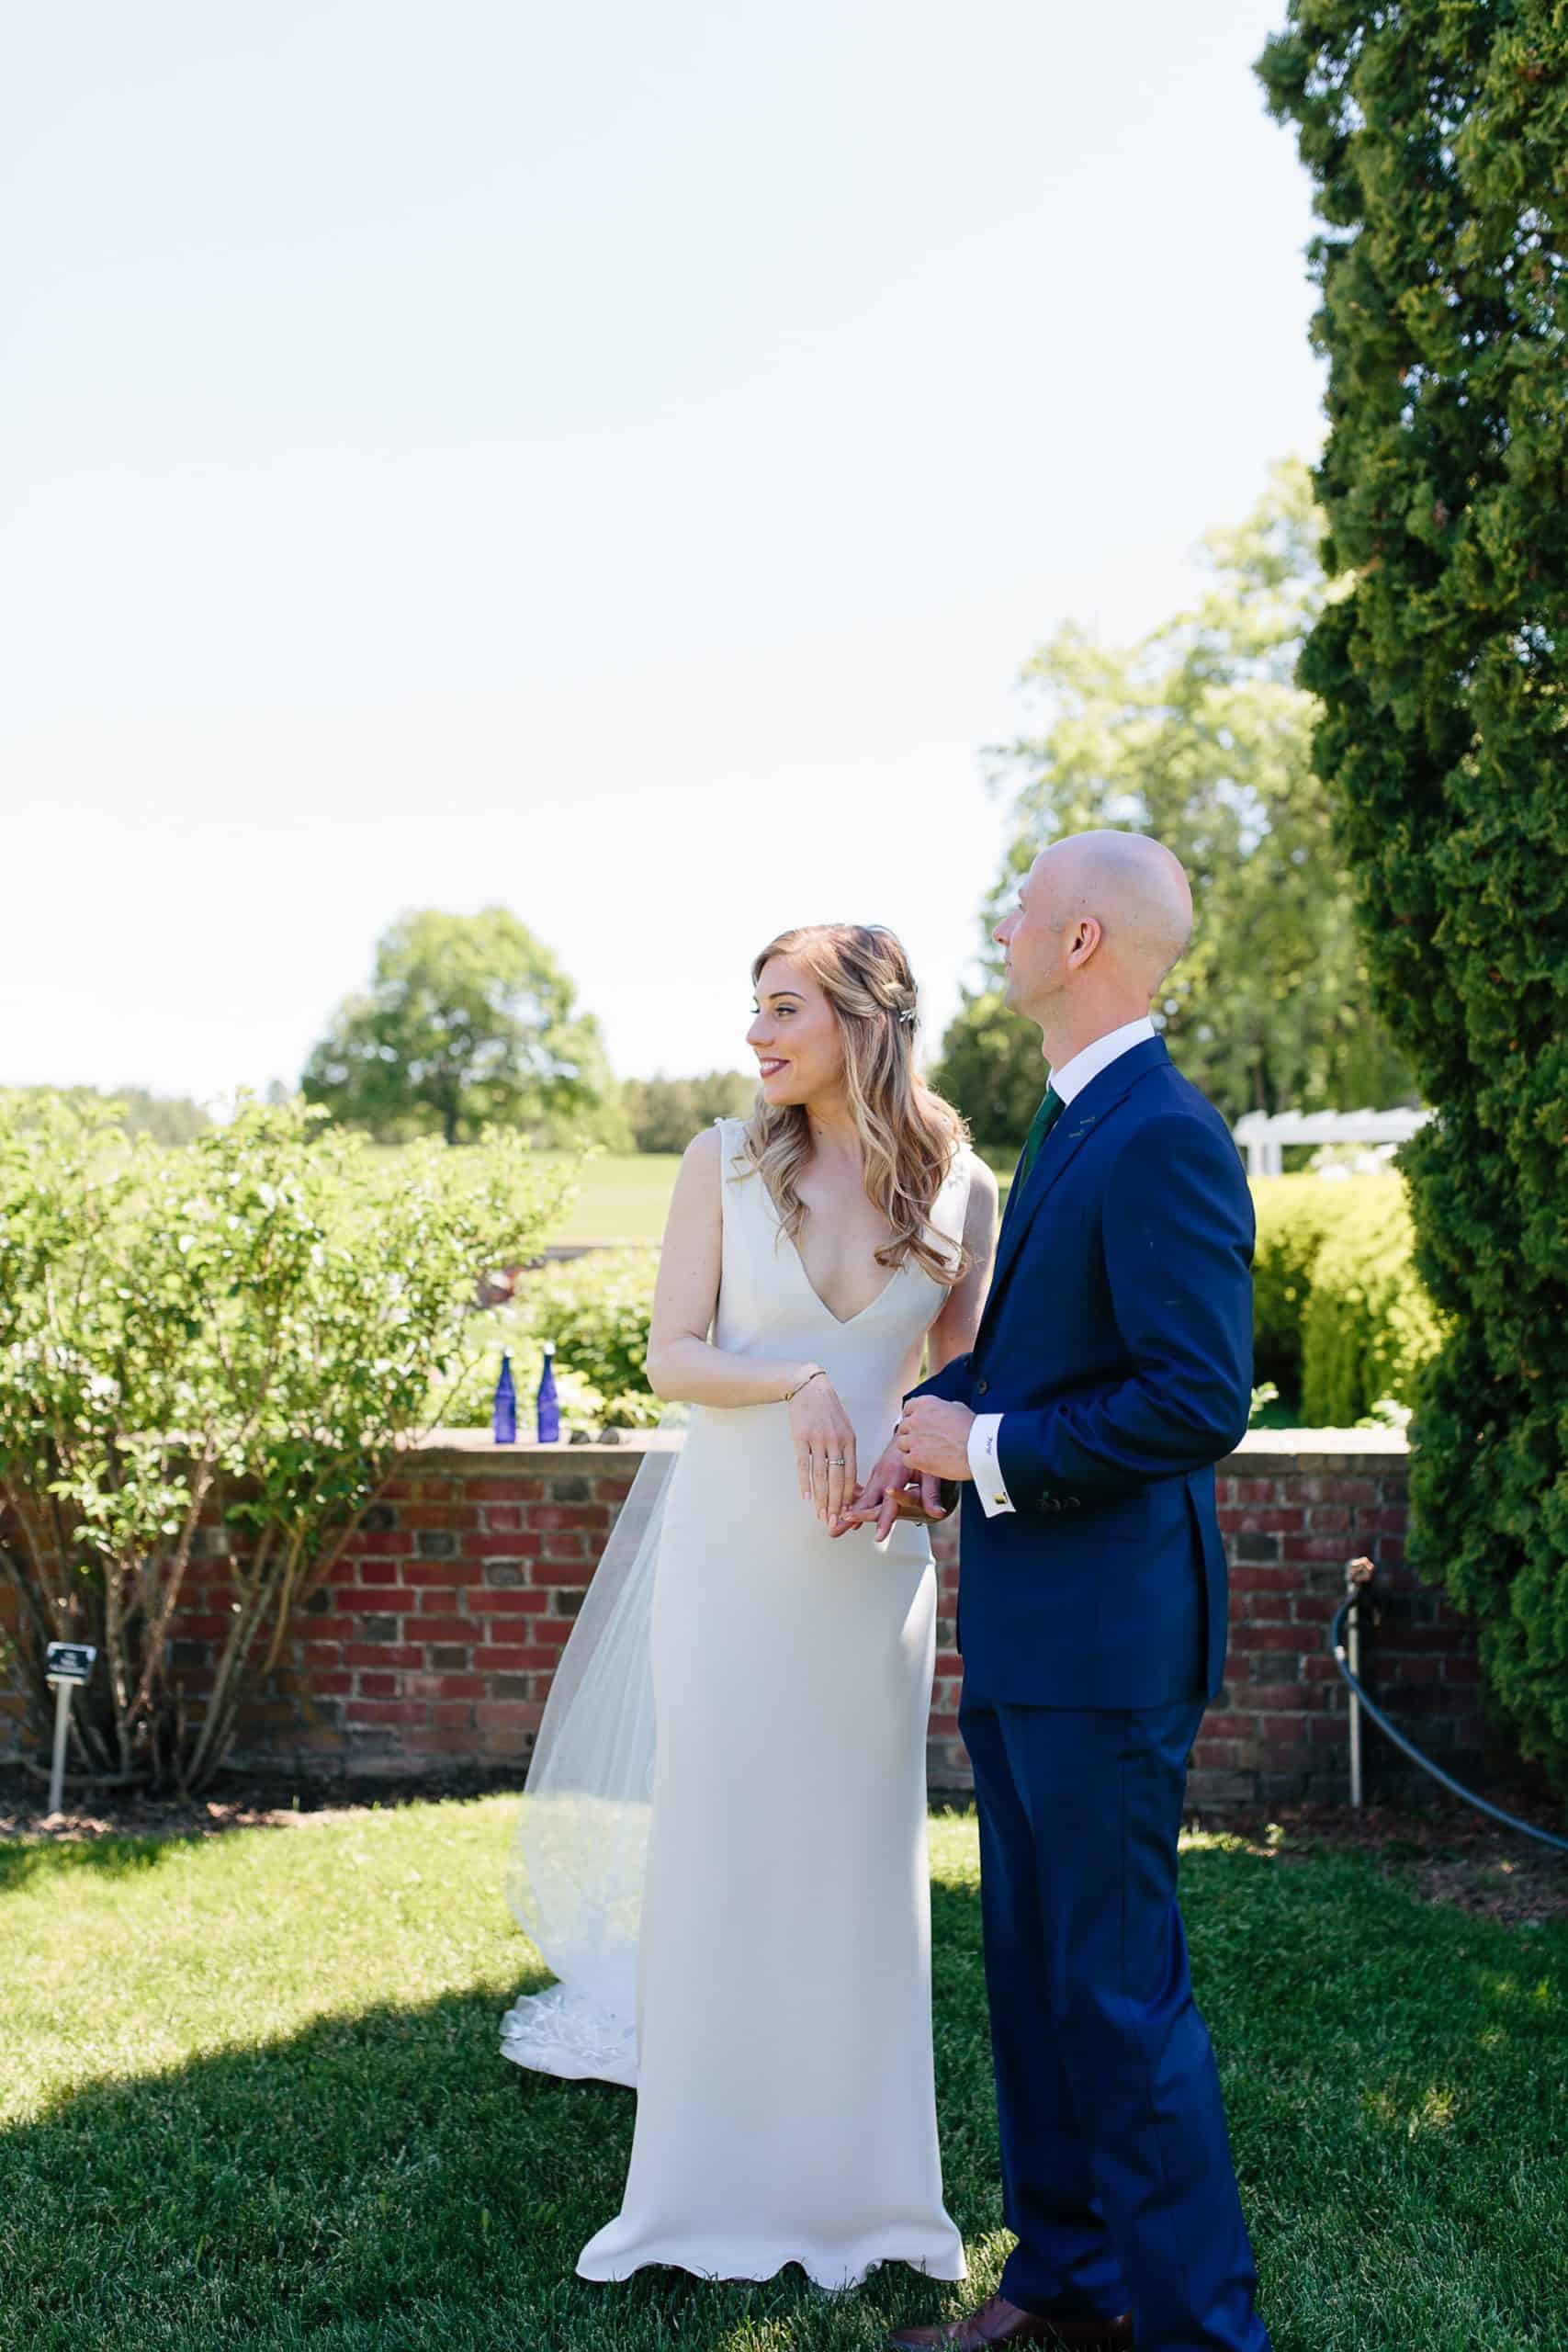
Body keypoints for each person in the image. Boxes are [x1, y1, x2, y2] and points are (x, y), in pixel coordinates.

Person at [500, 921, 998, 2292]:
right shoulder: (718, 1162)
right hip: (731, 1564)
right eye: (754, 1008)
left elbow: (951, 1396)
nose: (758, 1033)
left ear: (865, 1020)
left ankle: (869, 2195)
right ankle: (700, 2187)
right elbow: (672, 1356)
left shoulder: (967, 1188)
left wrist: (914, 1475)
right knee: (722, 1849)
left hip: (866, 1581)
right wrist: (799, 1384)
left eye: (786, 1008)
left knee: (854, 1872)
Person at [866, 832, 1272, 2352]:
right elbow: (1050, 1362)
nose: (1003, 922)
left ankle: (1197, 2335)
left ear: (1084, 939)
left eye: (1023, 905)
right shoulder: (1073, 1118)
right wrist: (941, 1430)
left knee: (1117, 1996)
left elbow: (1194, 1399)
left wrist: (988, 1443)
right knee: (1037, 1980)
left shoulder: (1163, 1131)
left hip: (1109, 1645)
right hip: (1034, 1630)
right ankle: (1063, 2283)